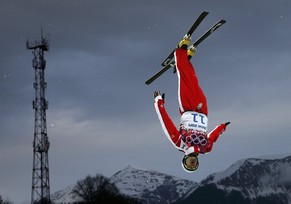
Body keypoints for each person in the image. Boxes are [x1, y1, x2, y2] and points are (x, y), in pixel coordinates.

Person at [154, 35, 230, 172]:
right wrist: (222, 127)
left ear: (184, 160)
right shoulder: (206, 148)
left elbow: (167, 124)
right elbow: (213, 136)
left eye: (189, 165)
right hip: (203, 111)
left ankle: (181, 50)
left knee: (184, 79)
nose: (192, 163)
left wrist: (159, 103)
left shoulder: (180, 144)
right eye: (194, 166)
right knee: (193, 80)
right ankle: (186, 61)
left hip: (187, 107)